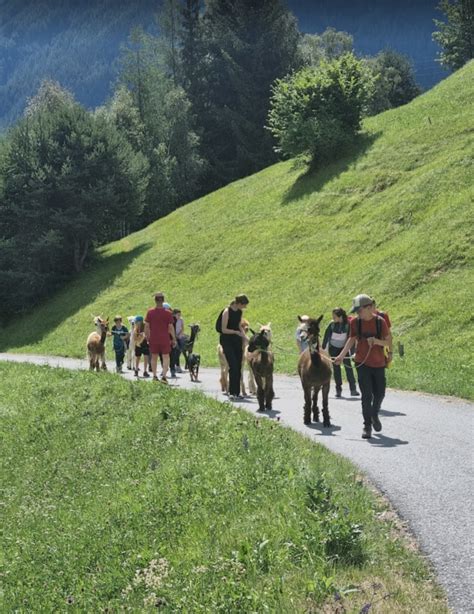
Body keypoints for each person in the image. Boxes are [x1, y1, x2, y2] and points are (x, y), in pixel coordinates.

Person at [334, 294, 391, 439]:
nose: (357, 313)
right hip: (361, 362)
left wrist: (377, 341)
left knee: (380, 394)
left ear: (370, 307)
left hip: (378, 363)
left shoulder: (380, 322)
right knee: (366, 395)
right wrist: (341, 355)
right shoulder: (355, 323)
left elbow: (388, 342)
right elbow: (351, 340)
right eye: (356, 311)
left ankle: (374, 414)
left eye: (360, 310)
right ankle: (367, 426)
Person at [217, 294, 249, 400]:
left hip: (236, 340)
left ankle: (237, 392)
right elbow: (223, 329)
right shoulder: (227, 311)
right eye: (244, 305)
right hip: (227, 340)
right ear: (239, 303)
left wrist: (244, 336)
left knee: (239, 366)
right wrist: (235, 332)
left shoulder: (239, 312)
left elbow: (239, 325)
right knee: (233, 365)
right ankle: (231, 392)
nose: (245, 307)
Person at [322, 307, 359, 397]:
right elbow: (326, 336)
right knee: (336, 369)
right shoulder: (332, 325)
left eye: (334, 317)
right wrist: (323, 349)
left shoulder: (348, 324)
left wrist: (353, 352)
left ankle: (353, 389)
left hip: (343, 349)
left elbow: (351, 338)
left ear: (340, 316)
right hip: (333, 349)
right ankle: (338, 390)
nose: (333, 318)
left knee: (348, 368)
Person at [145, 292, 177, 383]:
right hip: (165, 338)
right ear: (163, 301)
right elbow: (170, 327)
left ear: (155, 301)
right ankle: (164, 376)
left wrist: (147, 337)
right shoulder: (168, 313)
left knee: (154, 357)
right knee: (166, 357)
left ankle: (154, 376)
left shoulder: (150, 312)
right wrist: (174, 339)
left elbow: (147, 326)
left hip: (154, 338)